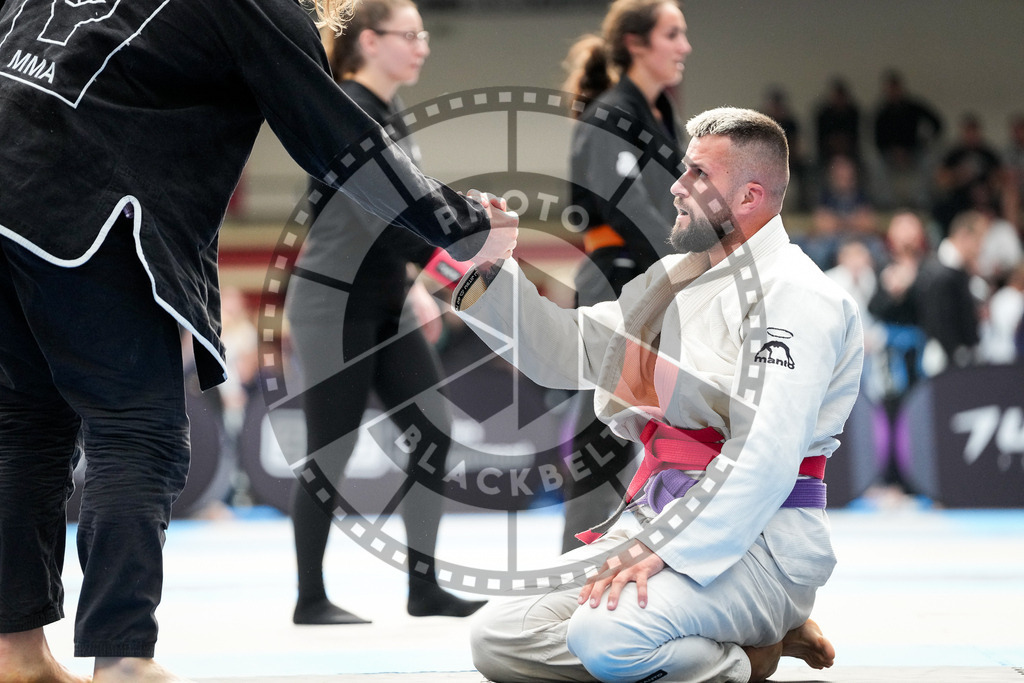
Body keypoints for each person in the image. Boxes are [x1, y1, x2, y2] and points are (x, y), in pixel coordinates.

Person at [0, 1, 516, 682]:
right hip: (91, 205)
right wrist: (465, 224)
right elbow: (337, 144)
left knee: (25, 427)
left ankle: (16, 651)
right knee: (136, 430)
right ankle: (123, 658)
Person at [455, 107, 862, 682]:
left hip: (760, 546)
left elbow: (766, 456)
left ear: (748, 197)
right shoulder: (673, 279)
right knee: (497, 637)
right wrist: (494, 264)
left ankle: (741, 656)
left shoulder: (796, 295)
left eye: (698, 174)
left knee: (607, 637)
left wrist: (670, 549)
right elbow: (565, 351)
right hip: (653, 517)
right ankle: (729, 645)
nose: (677, 188)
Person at [284, 0, 485, 625]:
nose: (423, 44)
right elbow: (382, 217)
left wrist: (418, 283)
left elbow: (397, 215)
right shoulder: (347, 107)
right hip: (331, 303)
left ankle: (423, 588)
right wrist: (463, 255)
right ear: (369, 41)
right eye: (410, 34)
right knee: (331, 450)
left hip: (384, 297)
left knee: (431, 432)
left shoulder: (391, 114)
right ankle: (310, 599)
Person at [559, 0, 690, 553]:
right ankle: (576, 564)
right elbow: (632, 210)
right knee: (601, 433)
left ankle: (619, 553)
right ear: (638, 44)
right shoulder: (613, 115)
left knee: (652, 430)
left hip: (656, 286)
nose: (685, 46)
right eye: (673, 34)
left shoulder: (661, 117)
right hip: (617, 284)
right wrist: (695, 262)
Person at [871, 69, 943, 210]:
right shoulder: (882, 111)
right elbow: (877, 140)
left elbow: (937, 123)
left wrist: (924, 141)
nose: (893, 92)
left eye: (895, 88)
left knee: (930, 159)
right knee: (874, 162)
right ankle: (886, 202)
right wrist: (894, 152)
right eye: (889, 89)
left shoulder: (913, 106)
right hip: (890, 154)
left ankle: (921, 200)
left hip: (914, 150)